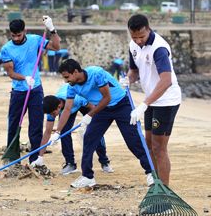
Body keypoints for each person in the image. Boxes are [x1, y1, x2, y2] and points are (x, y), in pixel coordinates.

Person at [54, 59, 154, 189]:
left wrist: (89, 115)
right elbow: (67, 109)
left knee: (133, 140)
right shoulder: (72, 87)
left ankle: (151, 173)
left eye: (67, 77)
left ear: (76, 71)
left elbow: (107, 98)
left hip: (121, 104)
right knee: (89, 138)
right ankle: (87, 177)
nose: (66, 81)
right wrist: (57, 132)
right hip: (102, 110)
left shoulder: (96, 73)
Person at [122, 14, 182, 187]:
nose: (139, 41)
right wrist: (128, 79)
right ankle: (156, 183)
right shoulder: (133, 45)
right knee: (148, 145)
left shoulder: (159, 48)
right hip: (150, 100)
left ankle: (165, 190)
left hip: (166, 101)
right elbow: (134, 71)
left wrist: (144, 104)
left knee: (159, 147)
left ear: (148, 29)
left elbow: (166, 80)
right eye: (134, 37)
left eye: (141, 36)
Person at [1, 17, 60, 164]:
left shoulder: (35, 40)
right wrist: (25, 78)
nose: (16, 38)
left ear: (24, 31)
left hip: (36, 90)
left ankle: (34, 159)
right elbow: (10, 73)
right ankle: (12, 159)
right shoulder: (6, 49)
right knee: (14, 125)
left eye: (18, 35)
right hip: (18, 91)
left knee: (36, 125)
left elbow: (56, 47)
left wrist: (52, 29)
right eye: (13, 35)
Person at [32, 83, 113, 175]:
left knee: (95, 132)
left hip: (84, 103)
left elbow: (93, 107)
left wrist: (89, 117)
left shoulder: (77, 99)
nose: (52, 116)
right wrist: (40, 156)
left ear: (59, 107)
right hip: (68, 110)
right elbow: (47, 132)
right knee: (64, 132)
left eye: (53, 114)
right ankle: (70, 164)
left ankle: (104, 161)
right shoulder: (51, 108)